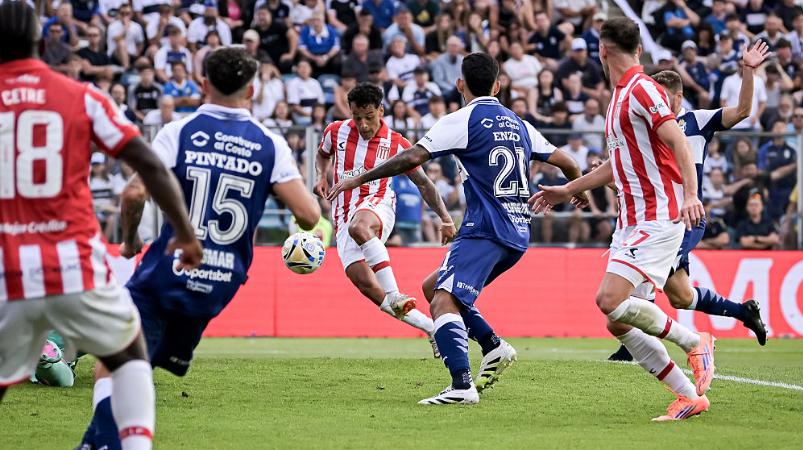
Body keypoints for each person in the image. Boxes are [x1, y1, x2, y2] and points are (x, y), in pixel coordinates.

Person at [78, 46, 320, 450]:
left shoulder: (179, 132)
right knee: (136, 361)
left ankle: (108, 443)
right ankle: (94, 444)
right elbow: (309, 216)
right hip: (220, 283)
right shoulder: (270, 144)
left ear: (202, 84)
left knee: (113, 363)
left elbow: (135, 194)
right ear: (253, 90)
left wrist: (131, 238)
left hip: (167, 272)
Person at [327, 53, 585, 404]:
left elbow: (412, 158)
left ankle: (461, 384)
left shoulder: (462, 120)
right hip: (518, 233)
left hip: (486, 230)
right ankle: (493, 347)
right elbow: (569, 162)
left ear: (460, 84)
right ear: (499, 85)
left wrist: (361, 176)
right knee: (434, 285)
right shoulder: (520, 124)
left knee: (443, 299)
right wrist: (575, 191)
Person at [0, 3, 202, 450]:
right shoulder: (80, 96)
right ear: (40, 41)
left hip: (6, 270)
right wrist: (185, 233)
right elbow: (147, 163)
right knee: (129, 354)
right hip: (74, 262)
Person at [529, 18, 716, 421]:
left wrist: (689, 193)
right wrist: (568, 188)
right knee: (617, 320)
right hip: (630, 220)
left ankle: (694, 341)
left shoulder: (642, 88)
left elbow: (678, 139)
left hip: (658, 214)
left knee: (609, 300)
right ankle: (688, 395)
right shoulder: (619, 98)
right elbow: (617, 166)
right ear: (637, 49)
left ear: (602, 50)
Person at [607, 42, 771, 363]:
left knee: (645, 271)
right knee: (680, 296)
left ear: (678, 98)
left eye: (663, 98)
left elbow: (742, 111)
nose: (657, 104)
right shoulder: (650, 127)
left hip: (686, 215)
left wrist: (748, 71)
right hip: (658, 214)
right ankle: (744, 312)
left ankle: (631, 347)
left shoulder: (698, 121)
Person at [314, 82, 455, 357]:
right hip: (342, 217)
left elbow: (424, 183)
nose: (363, 124)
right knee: (366, 285)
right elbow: (322, 155)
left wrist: (446, 218)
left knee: (360, 226)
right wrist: (321, 174)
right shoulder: (336, 131)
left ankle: (395, 294)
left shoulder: (397, 143)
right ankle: (431, 328)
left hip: (377, 206)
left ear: (381, 110)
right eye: (357, 117)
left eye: (369, 117)